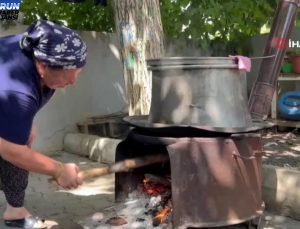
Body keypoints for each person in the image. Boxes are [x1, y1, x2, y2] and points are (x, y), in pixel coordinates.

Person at [0, 19, 87, 228]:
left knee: (22, 137)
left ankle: (15, 210)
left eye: (77, 72)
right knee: (16, 150)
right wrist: (57, 170)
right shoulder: (16, 89)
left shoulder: (34, 50)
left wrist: (25, 122)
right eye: (67, 76)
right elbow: (11, 151)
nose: (73, 82)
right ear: (41, 65)